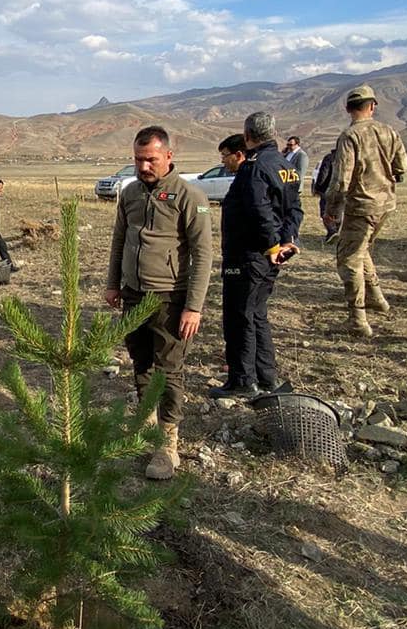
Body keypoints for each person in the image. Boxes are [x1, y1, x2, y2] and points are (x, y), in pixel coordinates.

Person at [105, 127, 212, 479]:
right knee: (140, 362)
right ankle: (145, 424)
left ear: (168, 155)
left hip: (170, 297)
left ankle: (168, 444)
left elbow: (203, 254)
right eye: (138, 159)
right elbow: (119, 240)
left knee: (169, 370)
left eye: (151, 159)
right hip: (134, 293)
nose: (144, 166)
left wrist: (193, 306)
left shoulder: (189, 196)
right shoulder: (131, 193)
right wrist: (113, 284)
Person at [211, 111, 302, 401]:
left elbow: (259, 210)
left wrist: (273, 244)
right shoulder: (284, 165)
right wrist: (285, 240)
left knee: (240, 316)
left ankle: (242, 379)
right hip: (267, 255)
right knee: (257, 314)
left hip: (248, 255)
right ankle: (266, 376)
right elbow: (294, 209)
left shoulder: (256, 167)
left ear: (248, 136)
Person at [324, 85, 407, 339]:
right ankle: (377, 299)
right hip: (385, 204)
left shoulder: (350, 136)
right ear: (372, 106)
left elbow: (341, 181)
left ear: (348, 109)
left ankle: (357, 318)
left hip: (361, 206)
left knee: (349, 259)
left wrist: (332, 210)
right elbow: (402, 166)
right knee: (361, 251)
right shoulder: (389, 131)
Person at [312, 149, 340, 240]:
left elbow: (323, 173)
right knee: (340, 211)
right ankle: (338, 231)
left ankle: (332, 231)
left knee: (325, 211)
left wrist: (318, 188)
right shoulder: (349, 157)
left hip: (328, 189)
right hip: (344, 189)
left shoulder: (329, 158)